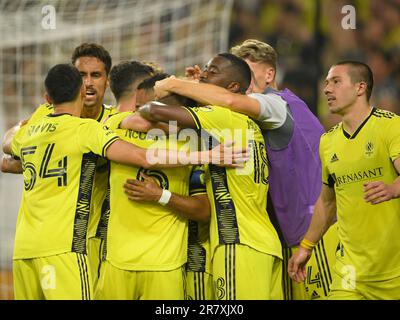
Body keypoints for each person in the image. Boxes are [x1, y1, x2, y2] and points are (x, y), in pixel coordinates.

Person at [10, 63, 245, 300]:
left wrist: (161, 195)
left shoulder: (190, 140)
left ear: (47, 97)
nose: (139, 112)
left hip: (163, 264)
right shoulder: (103, 128)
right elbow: (142, 148)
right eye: (139, 107)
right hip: (102, 259)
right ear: (81, 92)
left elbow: (204, 210)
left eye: (148, 107)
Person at [154, 39, 337, 300]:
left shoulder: (276, 104)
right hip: (289, 236)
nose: (241, 85)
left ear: (269, 74)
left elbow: (230, 101)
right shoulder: (248, 121)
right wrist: (203, 87)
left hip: (316, 233)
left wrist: (175, 84)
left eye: (247, 74)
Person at [136, 53, 283, 300]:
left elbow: (153, 111)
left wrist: (179, 87)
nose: (203, 74)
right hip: (265, 244)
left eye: (212, 71)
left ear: (233, 87)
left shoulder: (221, 116)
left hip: (236, 242)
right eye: (205, 68)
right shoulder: (248, 124)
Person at [2, 43, 117, 291]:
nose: (88, 83)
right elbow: (10, 153)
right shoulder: (46, 113)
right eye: (81, 76)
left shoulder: (115, 120)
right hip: (56, 242)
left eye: (95, 75)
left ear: (107, 80)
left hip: (101, 239)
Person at [288, 61, 400, 300]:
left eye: (336, 82)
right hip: (349, 272)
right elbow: (328, 203)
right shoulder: (328, 142)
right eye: (327, 83)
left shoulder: (390, 126)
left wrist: (393, 188)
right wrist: (306, 247)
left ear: (360, 87)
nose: (327, 89)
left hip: (393, 274)